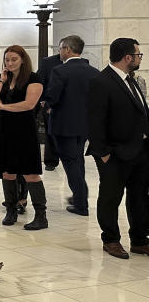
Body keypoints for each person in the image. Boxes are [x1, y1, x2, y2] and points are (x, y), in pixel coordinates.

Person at [87, 37, 149, 260]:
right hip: (114, 152)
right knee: (111, 197)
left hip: (139, 150)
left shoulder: (130, 80)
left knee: (140, 196)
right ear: (128, 57)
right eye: (138, 55)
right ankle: (111, 240)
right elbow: (94, 121)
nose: (140, 58)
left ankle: (140, 240)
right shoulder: (101, 81)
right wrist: (104, 153)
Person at [0, 45, 47, 230]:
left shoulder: (33, 78)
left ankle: (40, 216)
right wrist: (1, 81)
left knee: (30, 173)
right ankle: (11, 210)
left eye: (14, 59)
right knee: (7, 171)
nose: (10, 63)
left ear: (22, 59)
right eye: (7, 59)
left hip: (24, 130)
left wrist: (4, 107)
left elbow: (29, 105)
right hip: (3, 130)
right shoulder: (2, 78)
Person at [44, 35, 99, 216]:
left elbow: (52, 96)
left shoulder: (60, 71)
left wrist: (47, 105)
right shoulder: (93, 71)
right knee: (77, 160)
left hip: (64, 125)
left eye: (60, 49)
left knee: (71, 163)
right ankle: (79, 198)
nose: (59, 52)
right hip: (84, 125)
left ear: (67, 49)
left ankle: (81, 203)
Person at [37, 47, 63, 171]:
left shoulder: (82, 62)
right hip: (50, 104)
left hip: (69, 105)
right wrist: (42, 100)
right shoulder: (48, 62)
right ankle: (51, 161)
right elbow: (39, 81)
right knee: (51, 133)